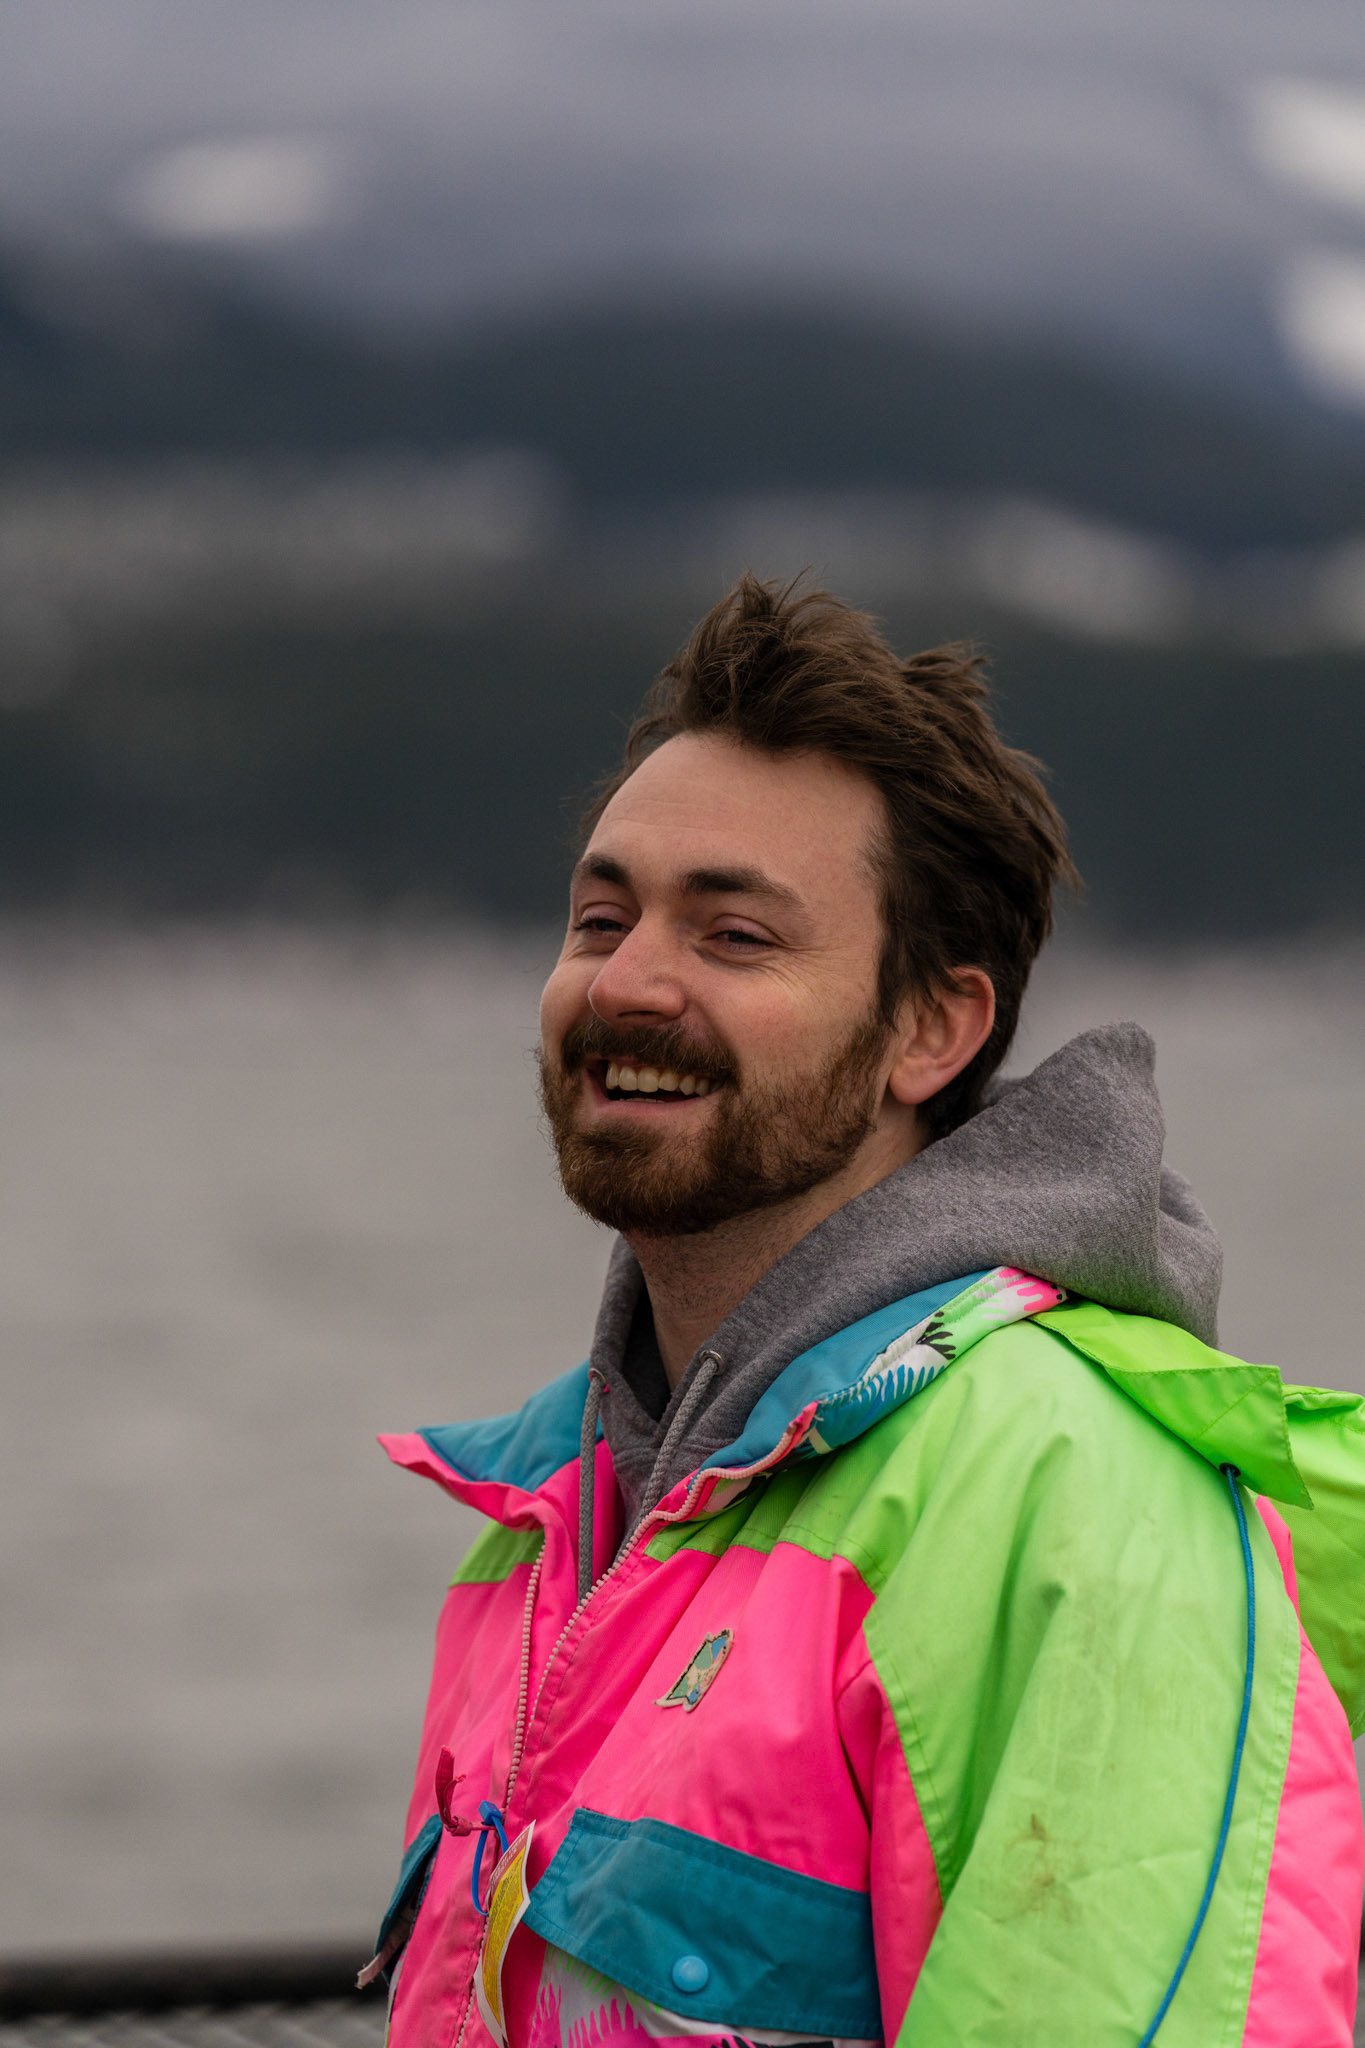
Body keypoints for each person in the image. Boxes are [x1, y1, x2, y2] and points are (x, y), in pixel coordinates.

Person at [365, 576, 1365, 2047]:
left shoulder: (1075, 1502)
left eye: (733, 936)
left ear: (929, 1029)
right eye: (600, 918)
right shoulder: (545, 1516)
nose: (627, 983)